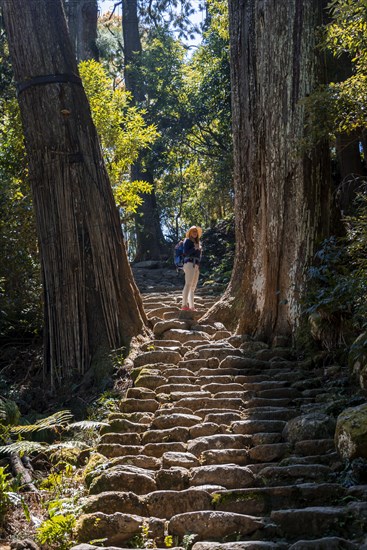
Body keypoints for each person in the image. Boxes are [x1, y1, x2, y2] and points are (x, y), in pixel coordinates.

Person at [181, 225, 202, 311]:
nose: (195, 233)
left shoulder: (197, 243)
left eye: (196, 231)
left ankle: (191, 306)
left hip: (196, 265)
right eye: (193, 231)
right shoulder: (187, 241)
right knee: (188, 284)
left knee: (193, 287)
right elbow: (185, 253)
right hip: (189, 263)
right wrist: (194, 248)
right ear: (190, 233)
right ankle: (184, 305)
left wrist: (198, 248)